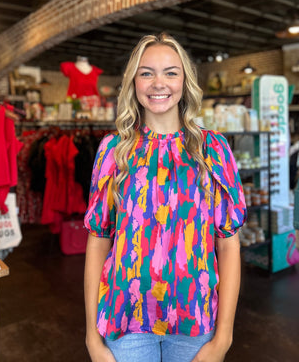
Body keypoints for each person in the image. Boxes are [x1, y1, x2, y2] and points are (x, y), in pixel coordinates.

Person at [84, 33, 247, 362]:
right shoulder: (113, 150)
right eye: (147, 73)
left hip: (194, 321)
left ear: (185, 81)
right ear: (134, 82)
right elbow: (98, 240)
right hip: (125, 319)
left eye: (171, 72)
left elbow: (228, 244)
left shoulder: (212, 149)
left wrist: (224, 336)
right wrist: (91, 333)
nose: (159, 83)